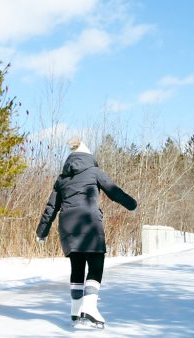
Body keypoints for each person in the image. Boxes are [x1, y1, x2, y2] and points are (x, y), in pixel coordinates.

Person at [36, 137, 137, 329]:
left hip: (67, 227)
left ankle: (75, 311)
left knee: (78, 265)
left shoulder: (62, 179)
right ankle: (89, 307)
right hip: (89, 223)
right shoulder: (94, 172)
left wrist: (42, 232)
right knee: (96, 263)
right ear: (88, 155)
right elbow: (113, 191)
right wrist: (132, 205)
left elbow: (51, 207)